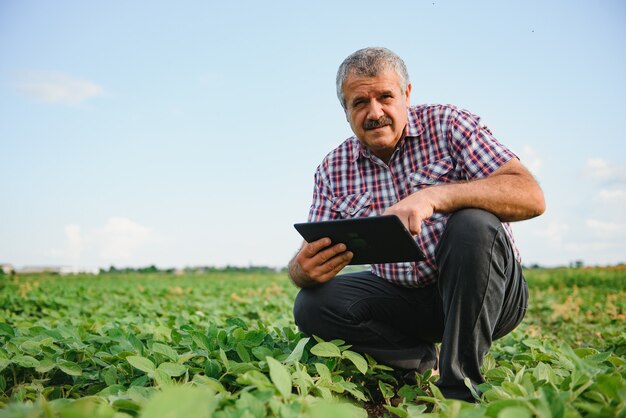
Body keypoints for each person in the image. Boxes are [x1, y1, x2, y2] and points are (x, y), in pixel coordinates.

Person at [287, 47, 545, 402]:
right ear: (345, 111)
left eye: (385, 97)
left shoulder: (449, 125)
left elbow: (530, 195)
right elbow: (309, 252)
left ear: (406, 95)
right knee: (312, 304)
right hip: (406, 300)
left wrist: (435, 196)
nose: (374, 112)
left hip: (487, 295)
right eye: (359, 102)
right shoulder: (334, 168)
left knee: (473, 224)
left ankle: (460, 390)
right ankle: (419, 362)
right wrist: (302, 270)